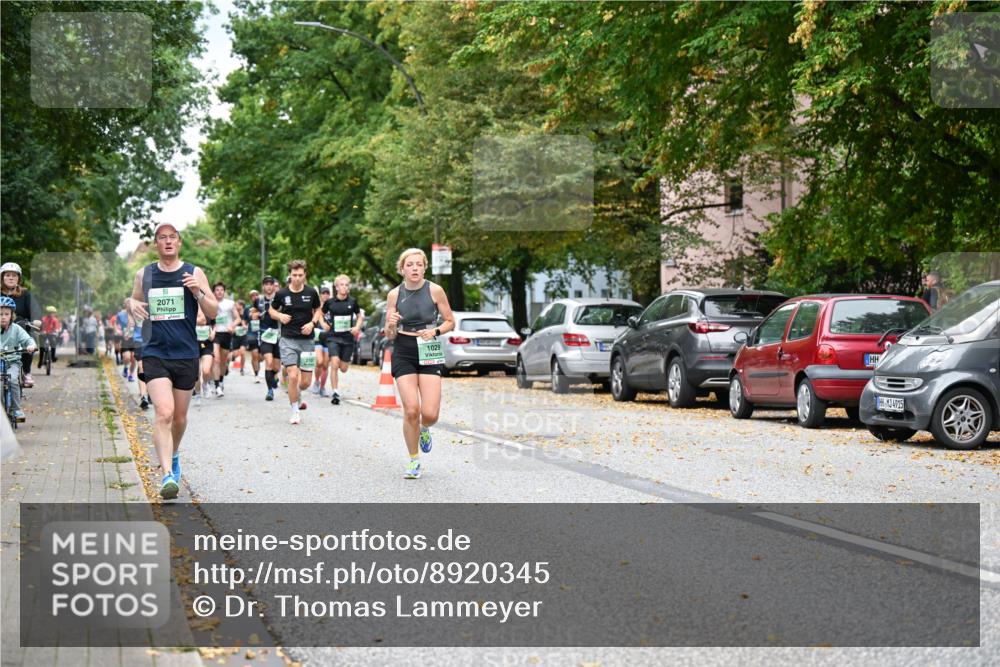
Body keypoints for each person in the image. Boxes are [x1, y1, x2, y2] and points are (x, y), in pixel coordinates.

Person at [126, 222, 218, 500]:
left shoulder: (194, 272)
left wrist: (198, 292)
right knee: (163, 413)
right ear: (156, 244)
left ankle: (174, 454)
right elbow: (134, 304)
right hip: (155, 352)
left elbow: (212, 310)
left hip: (186, 353)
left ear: (179, 243)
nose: (167, 241)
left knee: (179, 418)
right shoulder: (145, 274)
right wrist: (129, 304)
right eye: (162, 238)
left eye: (172, 237)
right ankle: (167, 474)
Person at [384, 248, 455, 479]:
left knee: (430, 414)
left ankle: (425, 429)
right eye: (409, 265)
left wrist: (434, 330)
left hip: (429, 348)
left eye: (418, 264)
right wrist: (391, 324)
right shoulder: (394, 294)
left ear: (425, 267)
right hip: (404, 350)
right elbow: (389, 334)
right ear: (402, 269)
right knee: (412, 410)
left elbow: (449, 321)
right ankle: (414, 460)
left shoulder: (435, 290)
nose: (414, 268)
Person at [269, 259, 321, 424]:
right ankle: (295, 411)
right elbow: (271, 310)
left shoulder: (312, 292)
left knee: (305, 382)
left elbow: (318, 310)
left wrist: (312, 323)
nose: (297, 278)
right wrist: (280, 316)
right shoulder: (282, 294)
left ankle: (296, 393)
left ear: (305, 275)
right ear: (290, 275)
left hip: (307, 341)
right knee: (292, 375)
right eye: (294, 275)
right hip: (288, 340)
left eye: (300, 275)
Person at [322, 274, 364, 406]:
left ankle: (342, 363)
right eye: (342, 285)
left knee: (343, 368)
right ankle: (335, 392)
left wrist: (357, 327)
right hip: (333, 337)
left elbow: (360, 316)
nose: (344, 287)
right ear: (336, 287)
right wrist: (324, 324)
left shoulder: (352, 302)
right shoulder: (330, 302)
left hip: (347, 338)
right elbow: (319, 314)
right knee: (334, 363)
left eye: (346, 285)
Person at [0, 262, 41, 387]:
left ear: (18, 278)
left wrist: (36, 319)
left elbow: (35, 310)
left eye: (14, 275)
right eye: (7, 275)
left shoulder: (25, 294)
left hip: (20, 326)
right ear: (2, 278)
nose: (11, 278)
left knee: (28, 338)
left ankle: (26, 372)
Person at [0, 296, 37, 422]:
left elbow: (27, 339)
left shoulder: (16, 329)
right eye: (0, 314)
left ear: (12, 315)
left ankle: (16, 409)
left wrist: (30, 345)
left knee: (12, 381)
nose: (3, 317)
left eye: (6, 314)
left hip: (12, 362)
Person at [211, 282, 240, 398]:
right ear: (214, 292)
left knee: (223, 361)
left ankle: (221, 380)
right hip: (216, 334)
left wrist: (232, 326)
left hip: (226, 334)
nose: (219, 292)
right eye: (217, 290)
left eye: (221, 290)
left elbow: (238, 319)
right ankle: (217, 385)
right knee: (216, 359)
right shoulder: (211, 303)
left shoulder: (230, 303)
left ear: (224, 291)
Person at [256, 276, 281, 401]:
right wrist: (254, 314)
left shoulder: (279, 299)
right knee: (269, 362)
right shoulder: (259, 300)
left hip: (278, 335)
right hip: (265, 335)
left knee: (276, 366)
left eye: (271, 284)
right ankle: (270, 390)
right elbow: (252, 312)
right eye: (266, 284)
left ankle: (274, 377)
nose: (269, 286)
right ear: (263, 286)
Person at [311, 285, 331, 397]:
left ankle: (322, 388)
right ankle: (316, 381)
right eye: (323, 293)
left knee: (325, 364)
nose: (325, 295)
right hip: (318, 336)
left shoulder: (332, 306)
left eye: (327, 293)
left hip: (328, 337)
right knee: (319, 361)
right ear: (320, 295)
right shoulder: (317, 307)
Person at [194, 309, 215, 406]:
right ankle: (197, 394)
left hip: (207, 343)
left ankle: (205, 384)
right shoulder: (191, 308)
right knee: (196, 373)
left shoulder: (208, 308)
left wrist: (214, 332)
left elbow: (216, 323)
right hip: (194, 344)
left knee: (206, 370)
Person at [244, 290, 262, 382]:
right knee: (255, 354)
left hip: (262, 332)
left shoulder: (262, 306)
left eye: (256, 295)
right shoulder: (247, 308)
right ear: (250, 298)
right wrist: (244, 325)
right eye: (252, 296)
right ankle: (256, 374)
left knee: (260, 356)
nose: (254, 297)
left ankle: (256, 365)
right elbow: (244, 320)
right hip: (252, 333)